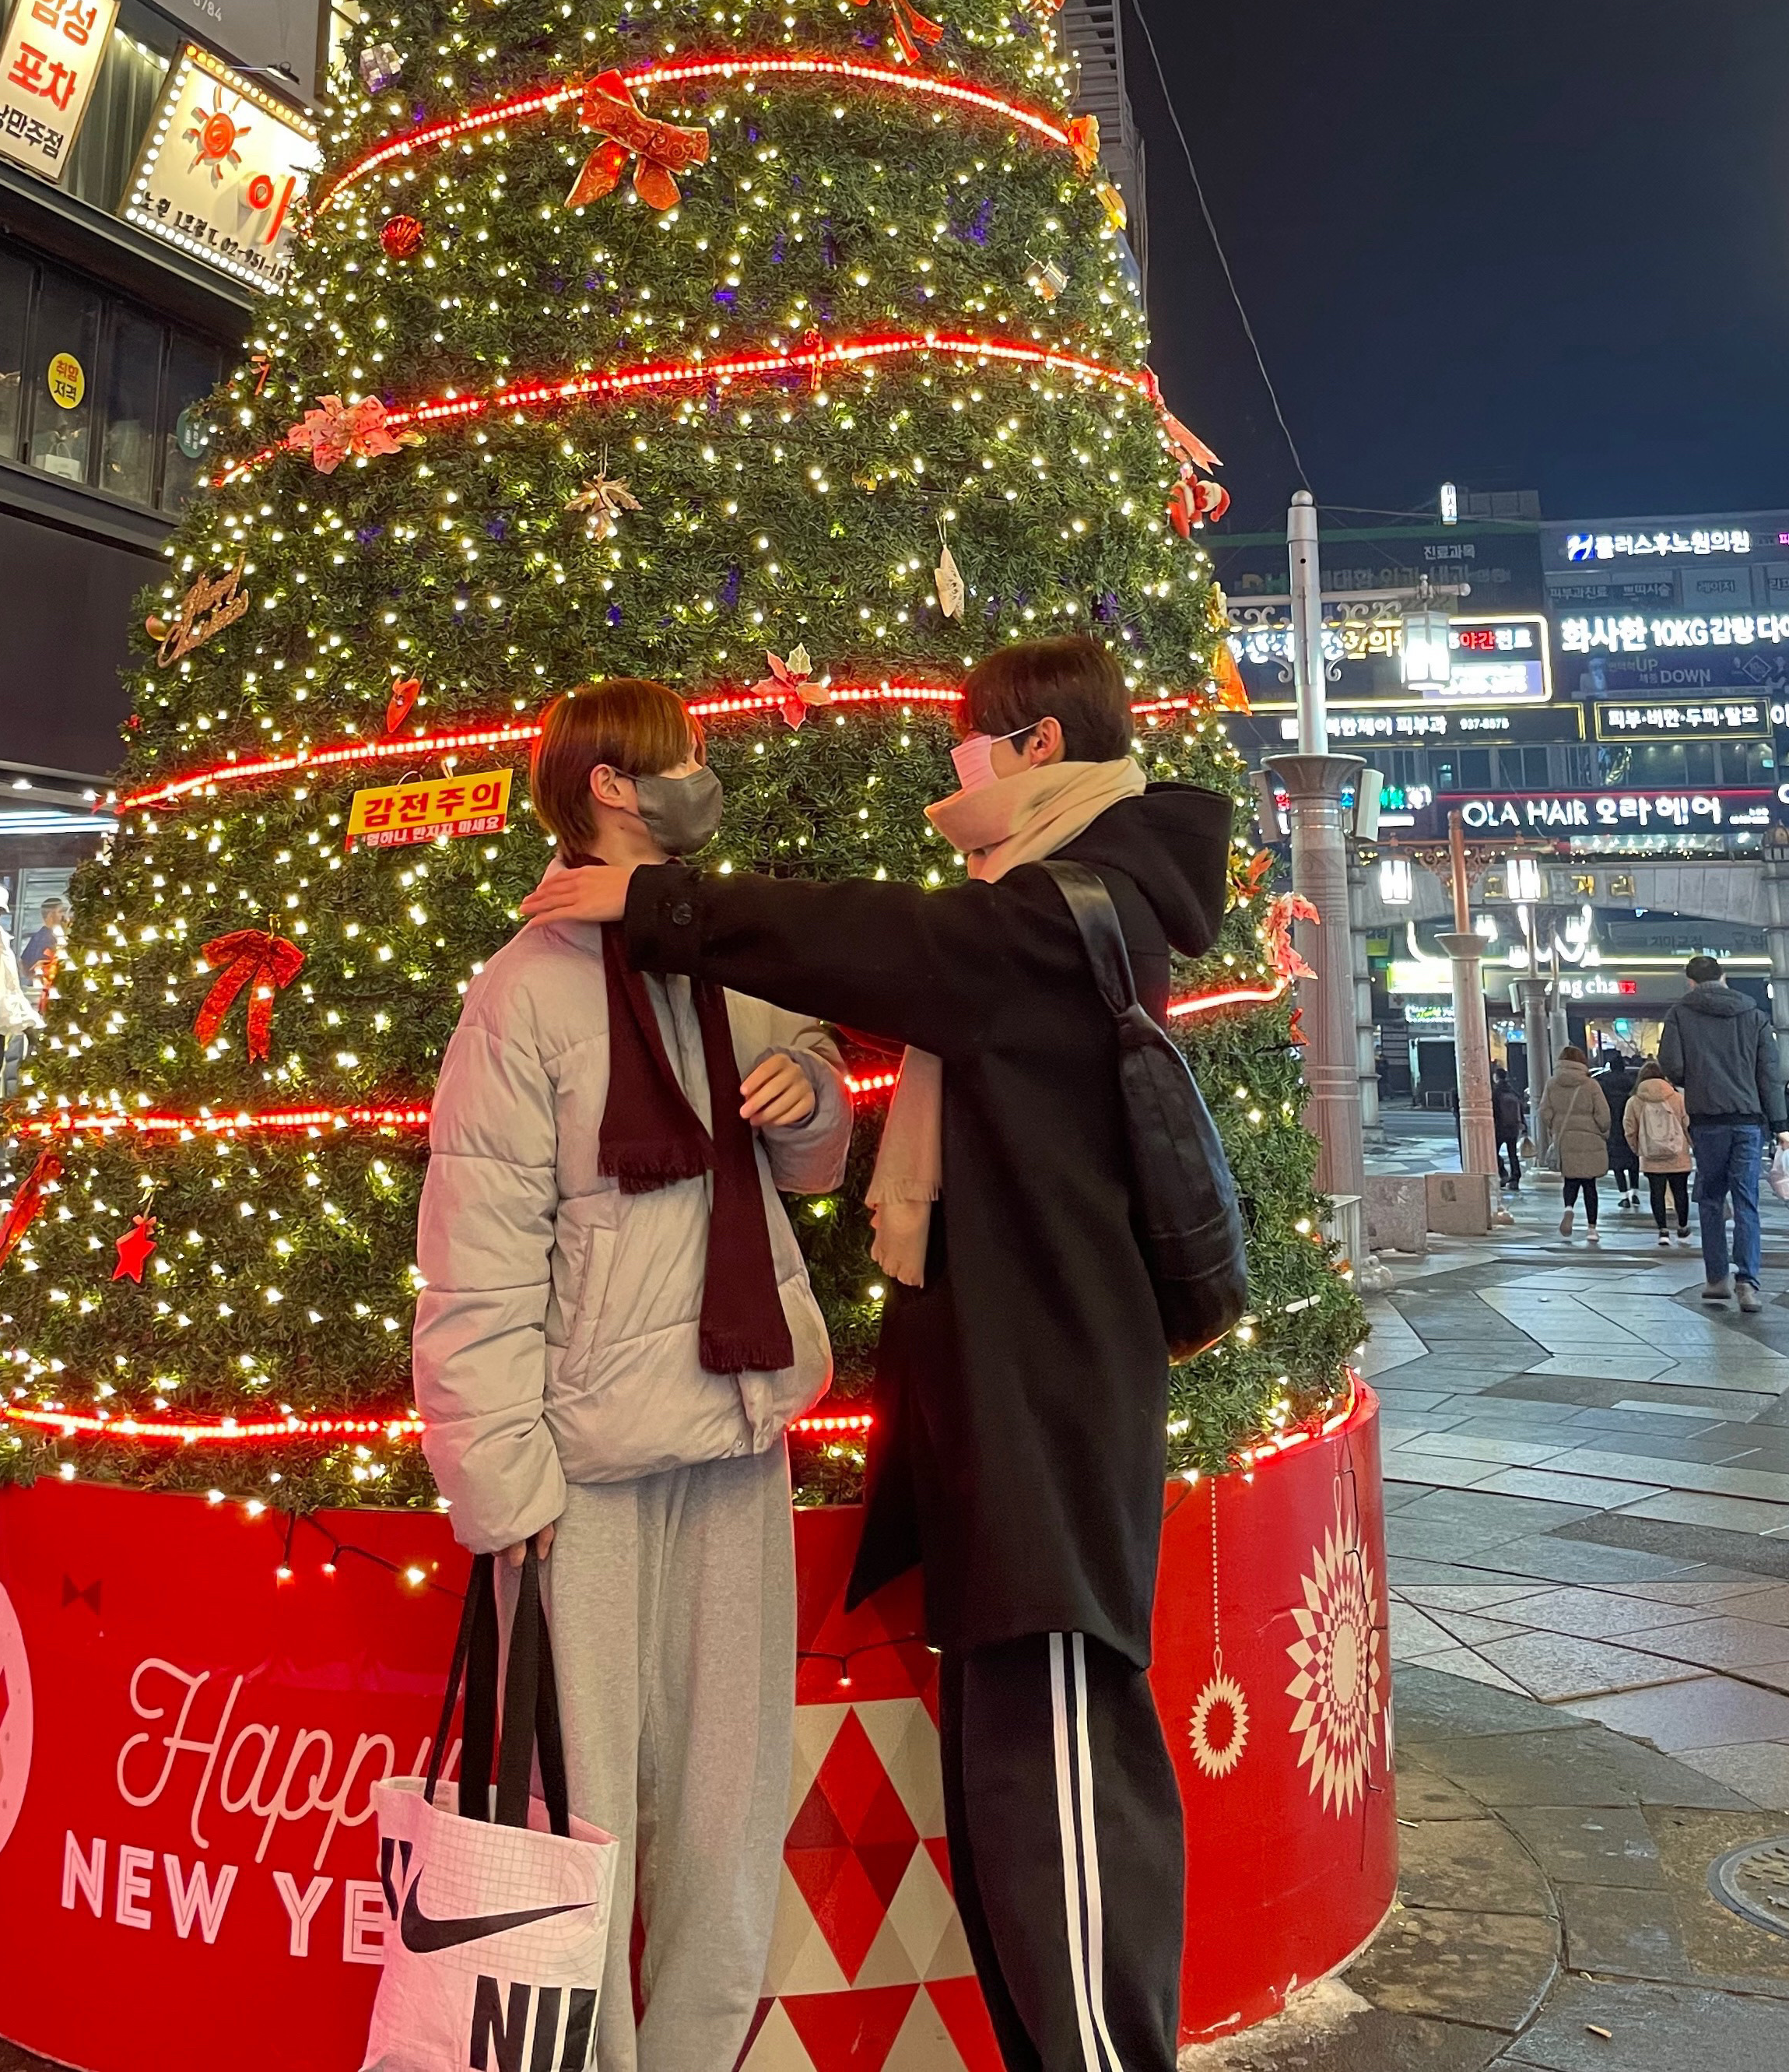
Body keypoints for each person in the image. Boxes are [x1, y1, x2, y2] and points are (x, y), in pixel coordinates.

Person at [522, 634, 1229, 2072]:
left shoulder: (1061, 904)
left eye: (970, 742)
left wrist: (664, 901)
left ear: (1033, 750)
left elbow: (891, 944)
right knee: (1009, 1786)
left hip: (1046, 1397)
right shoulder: (1043, 897)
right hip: (1010, 1396)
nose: (950, 770)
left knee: (1058, 1784)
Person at [412, 679, 847, 2072]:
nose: (701, 774)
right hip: (580, 1459)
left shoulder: (733, 949)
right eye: (683, 756)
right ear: (609, 781)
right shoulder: (526, 981)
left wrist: (812, 1101)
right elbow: (475, 1247)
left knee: (730, 1802)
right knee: (573, 1811)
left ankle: (698, 2056)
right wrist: (499, 1482)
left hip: (734, 1419)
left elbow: (815, 1159)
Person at [1657, 952, 1787, 1312]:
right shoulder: (1754, 1015)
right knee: (1747, 1201)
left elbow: (1672, 1065)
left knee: (1711, 1198)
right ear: (1724, 976)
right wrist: (1781, 1125)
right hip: (1748, 1120)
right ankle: (1748, 1281)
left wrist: (1697, 1078)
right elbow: (1769, 1074)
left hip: (1707, 1119)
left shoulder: (1680, 1014)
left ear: (1690, 981)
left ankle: (1716, 1279)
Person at [1538, 1045, 1612, 1243]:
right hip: (1590, 1138)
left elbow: (1544, 1111)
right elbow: (1603, 1115)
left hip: (1565, 1138)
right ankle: (1592, 1229)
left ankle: (1569, 1209)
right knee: (1590, 1185)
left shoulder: (1553, 1084)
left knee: (1570, 1180)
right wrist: (1602, 1131)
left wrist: (1555, 1126)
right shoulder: (1591, 1085)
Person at [1624, 1058, 1693, 1248]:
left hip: (1651, 1155)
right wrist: (1692, 1145)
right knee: (1680, 1192)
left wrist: (1638, 1149)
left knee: (1657, 1192)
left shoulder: (1634, 1101)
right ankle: (1683, 1227)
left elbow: (1629, 1130)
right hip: (1677, 1153)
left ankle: (1662, 1231)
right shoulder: (1677, 1098)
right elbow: (1688, 1125)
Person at [1600, 1046, 1642, 1211]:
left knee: (1617, 1163)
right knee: (1633, 1161)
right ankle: (1635, 1192)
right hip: (1631, 1123)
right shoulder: (1632, 1082)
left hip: (1613, 1126)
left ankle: (1623, 1196)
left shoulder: (1604, 1083)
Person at [1491, 1060, 1526, 1193]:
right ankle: (1515, 1178)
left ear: (1496, 1077)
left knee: (1493, 1153)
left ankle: (1503, 1173)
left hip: (1500, 1128)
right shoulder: (1513, 1091)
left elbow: (1493, 1111)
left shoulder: (1496, 1093)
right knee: (1513, 1155)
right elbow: (1520, 1111)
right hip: (1513, 1128)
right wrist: (1524, 1127)